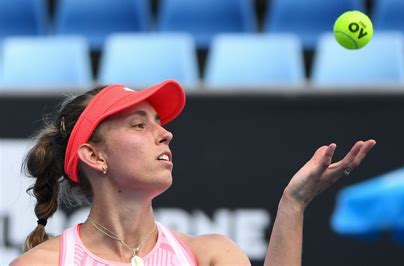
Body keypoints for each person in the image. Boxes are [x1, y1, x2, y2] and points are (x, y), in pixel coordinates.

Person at [10, 80, 376, 266]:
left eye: (159, 123)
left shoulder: (212, 255)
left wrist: (293, 204)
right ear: (94, 155)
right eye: (139, 125)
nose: (165, 133)